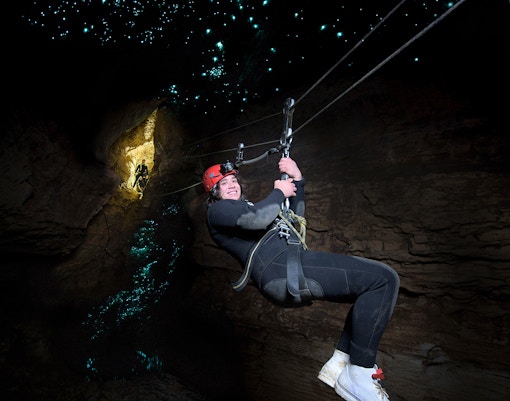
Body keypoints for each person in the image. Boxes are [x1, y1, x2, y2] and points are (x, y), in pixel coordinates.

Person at [202, 157, 400, 401]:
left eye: (234, 180)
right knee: (383, 280)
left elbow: (295, 221)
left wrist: (298, 180)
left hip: (288, 266)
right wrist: (278, 191)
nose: (232, 185)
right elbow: (256, 219)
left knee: (372, 286)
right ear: (214, 192)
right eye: (224, 184)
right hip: (281, 269)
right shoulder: (217, 211)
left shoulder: (245, 206)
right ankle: (359, 371)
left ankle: (341, 363)